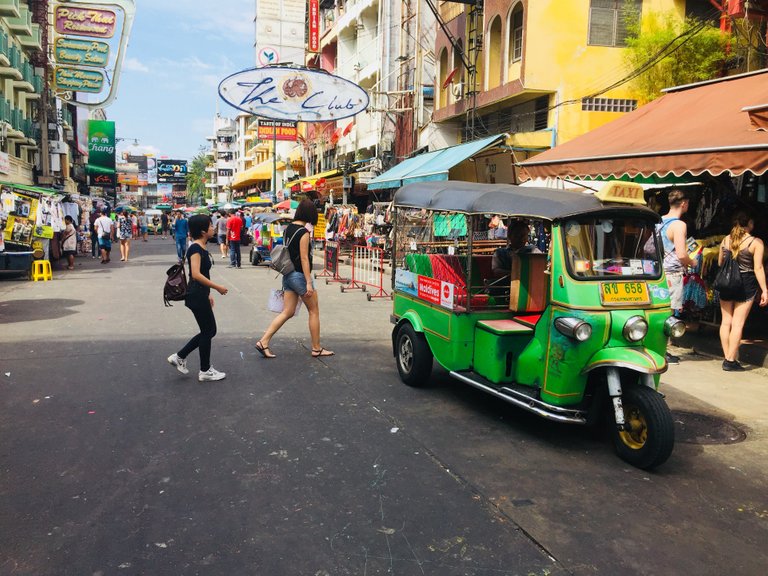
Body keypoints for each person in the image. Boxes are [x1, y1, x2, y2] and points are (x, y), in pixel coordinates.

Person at [255, 199, 334, 359]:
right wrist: (309, 282)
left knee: (288, 311)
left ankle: (263, 341)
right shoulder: (303, 232)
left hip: (288, 275)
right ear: (310, 214)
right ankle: (316, 348)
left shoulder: (288, 228)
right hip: (299, 276)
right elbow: (304, 259)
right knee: (313, 311)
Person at [167, 214, 229, 382]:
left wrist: (208, 293)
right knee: (209, 331)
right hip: (195, 294)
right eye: (210, 226)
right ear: (203, 231)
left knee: (208, 331)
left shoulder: (201, 247)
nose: (213, 228)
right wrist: (217, 287)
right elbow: (195, 274)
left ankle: (181, 357)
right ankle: (204, 370)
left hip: (200, 294)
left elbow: (203, 272)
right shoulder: (195, 248)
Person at [717, 212, 768, 371]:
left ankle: (728, 358)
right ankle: (730, 360)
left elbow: (720, 262)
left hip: (726, 282)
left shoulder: (726, 240)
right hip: (746, 284)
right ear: (750, 224)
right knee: (738, 324)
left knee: (726, 322)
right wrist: (765, 290)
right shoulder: (755, 242)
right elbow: (758, 268)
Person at [658, 189, 696, 364]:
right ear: (684, 203)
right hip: (672, 274)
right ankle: (662, 351)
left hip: (657, 273)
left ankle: (658, 348)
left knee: (658, 311)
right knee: (669, 313)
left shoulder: (658, 221)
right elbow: (681, 254)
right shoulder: (679, 225)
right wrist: (692, 262)